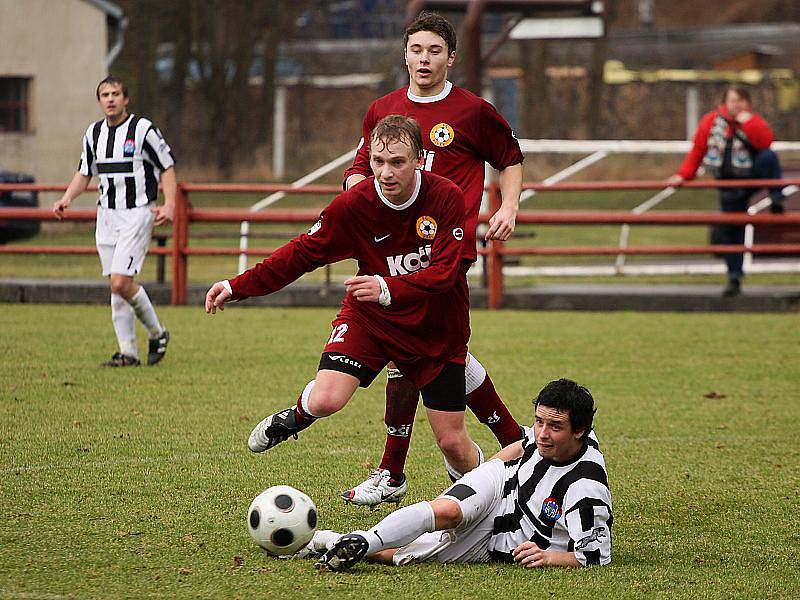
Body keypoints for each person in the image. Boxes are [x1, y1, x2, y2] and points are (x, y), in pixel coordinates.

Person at [205, 114, 484, 479]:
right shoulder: (355, 205)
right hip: (371, 319)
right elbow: (301, 254)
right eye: (378, 162)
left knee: (452, 444)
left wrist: (386, 287)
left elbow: (446, 272)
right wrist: (237, 285)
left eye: (398, 162)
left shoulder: (446, 196)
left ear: (419, 159)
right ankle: (297, 416)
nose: (386, 173)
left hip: (432, 328)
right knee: (326, 399)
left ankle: (491, 493)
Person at [341, 11, 525, 507]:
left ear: (451, 57)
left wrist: (506, 206)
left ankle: (392, 471)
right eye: (417, 50)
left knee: (414, 344)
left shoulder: (472, 111)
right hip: (392, 250)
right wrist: (358, 202)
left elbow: (510, 158)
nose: (424, 59)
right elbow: (358, 171)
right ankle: (513, 443)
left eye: (435, 51)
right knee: (430, 349)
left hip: (447, 249)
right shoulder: (383, 108)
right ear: (405, 54)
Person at [306, 378, 611, 571]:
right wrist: (485, 475)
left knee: (405, 555)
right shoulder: (550, 434)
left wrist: (550, 557)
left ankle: (327, 541)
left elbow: (595, 556)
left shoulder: (587, 490)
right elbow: (522, 444)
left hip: (500, 543)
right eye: (539, 421)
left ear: (581, 431)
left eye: (554, 427)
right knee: (449, 512)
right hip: (500, 484)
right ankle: (365, 539)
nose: (542, 433)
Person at [52, 75, 174, 366]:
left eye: (115, 93)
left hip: (137, 213)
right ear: (99, 101)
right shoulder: (93, 134)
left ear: (125, 99)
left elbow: (167, 166)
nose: (110, 98)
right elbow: (85, 173)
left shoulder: (142, 129)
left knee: (121, 282)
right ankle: (128, 352)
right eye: (104, 94)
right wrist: (67, 198)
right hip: (106, 216)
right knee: (116, 284)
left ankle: (158, 332)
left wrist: (169, 204)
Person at [667, 85, 787, 297]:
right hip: (729, 183)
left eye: (741, 101)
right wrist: (683, 175)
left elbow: (765, 142)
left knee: (769, 158)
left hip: (751, 175)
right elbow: (698, 150)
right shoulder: (710, 122)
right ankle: (734, 277)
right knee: (732, 229)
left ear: (747, 103)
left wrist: (747, 124)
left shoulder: (754, 121)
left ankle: (776, 197)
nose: (736, 105)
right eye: (733, 100)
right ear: (725, 102)